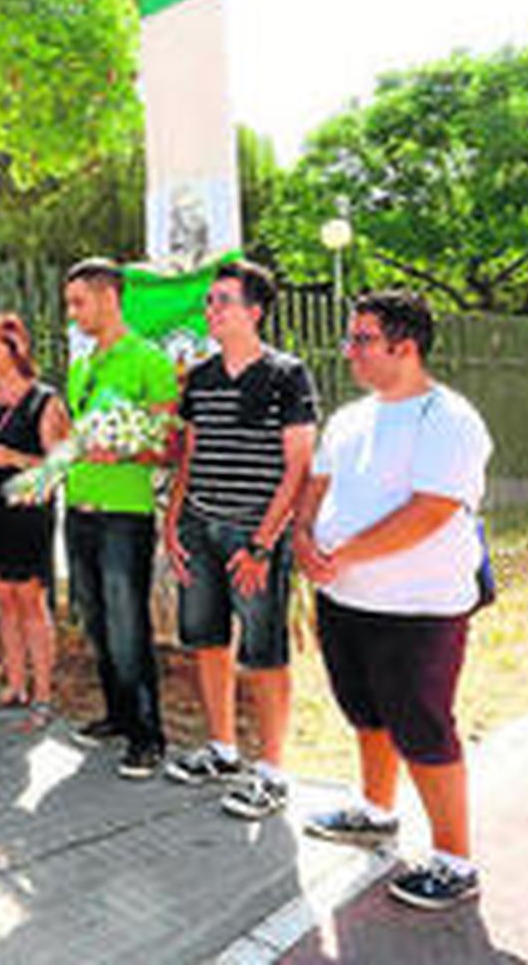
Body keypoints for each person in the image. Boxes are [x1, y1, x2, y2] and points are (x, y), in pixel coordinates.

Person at [295, 291, 492, 911]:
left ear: (404, 347)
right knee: (366, 712)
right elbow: (317, 484)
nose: (347, 350)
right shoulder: (350, 417)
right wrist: (303, 537)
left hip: (419, 609)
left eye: (362, 339)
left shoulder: (449, 419)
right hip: (345, 599)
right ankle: (375, 811)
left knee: (423, 727)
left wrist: (345, 552)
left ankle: (455, 861)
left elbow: (431, 510)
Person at [162, 261, 318, 818]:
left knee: (264, 652)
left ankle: (272, 772)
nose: (211, 310)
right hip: (199, 528)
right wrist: (173, 521)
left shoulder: (286, 375)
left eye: (223, 300)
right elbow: (190, 453)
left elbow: (299, 466)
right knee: (208, 641)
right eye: (209, 301)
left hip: (253, 535)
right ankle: (223, 750)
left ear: (254, 311)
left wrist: (262, 544)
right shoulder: (201, 378)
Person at [60, 259, 180, 778]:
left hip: (123, 517)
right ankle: (118, 714)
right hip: (78, 510)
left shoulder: (148, 360)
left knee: (128, 624)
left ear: (109, 296)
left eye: (78, 302)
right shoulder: (82, 366)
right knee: (96, 619)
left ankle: (148, 736)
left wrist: (123, 451)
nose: (72, 313)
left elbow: (169, 445)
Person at [0, 313, 68, 732]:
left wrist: (12, 458)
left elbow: (59, 465)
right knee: (3, 599)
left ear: (17, 350)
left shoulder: (44, 400)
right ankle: (14, 685)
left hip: (26, 511)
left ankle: (42, 698)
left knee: (30, 603)